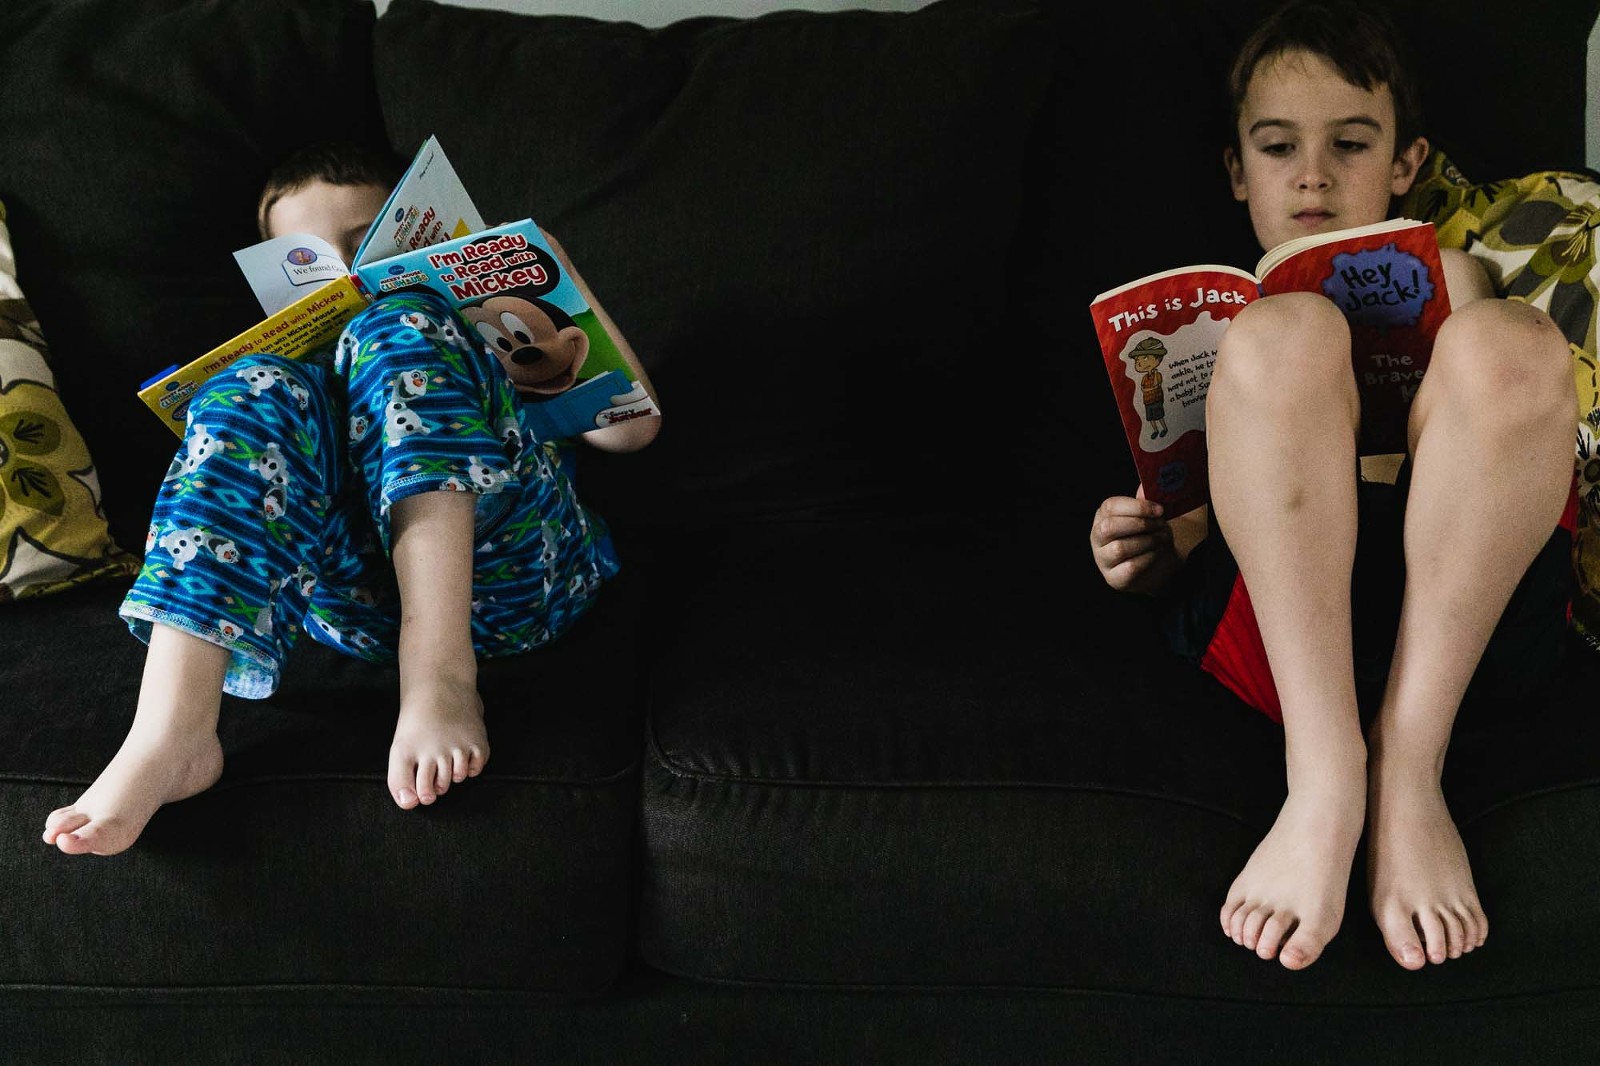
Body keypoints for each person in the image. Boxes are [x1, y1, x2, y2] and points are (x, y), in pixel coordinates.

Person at [1088, 0, 1576, 972]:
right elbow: (1190, 529)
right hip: (1286, 632)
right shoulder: (1218, 320)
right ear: (1236, 168)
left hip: (1458, 623)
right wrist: (1146, 551)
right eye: (1277, 148)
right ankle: (1325, 776)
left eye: (1350, 144)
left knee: (1512, 342)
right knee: (1279, 332)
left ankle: (1407, 763)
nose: (1312, 174)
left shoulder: (1458, 272)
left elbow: (1492, 418)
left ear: (1405, 163)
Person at [42, 141, 660, 856]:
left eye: (363, 246)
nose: (345, 273)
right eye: (309, 264)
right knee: (255, 386)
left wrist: (552, 269)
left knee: (396, 325)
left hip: (520, 580)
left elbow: (634, 431)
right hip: (350, 612)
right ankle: (172, 734)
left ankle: (438, 674)